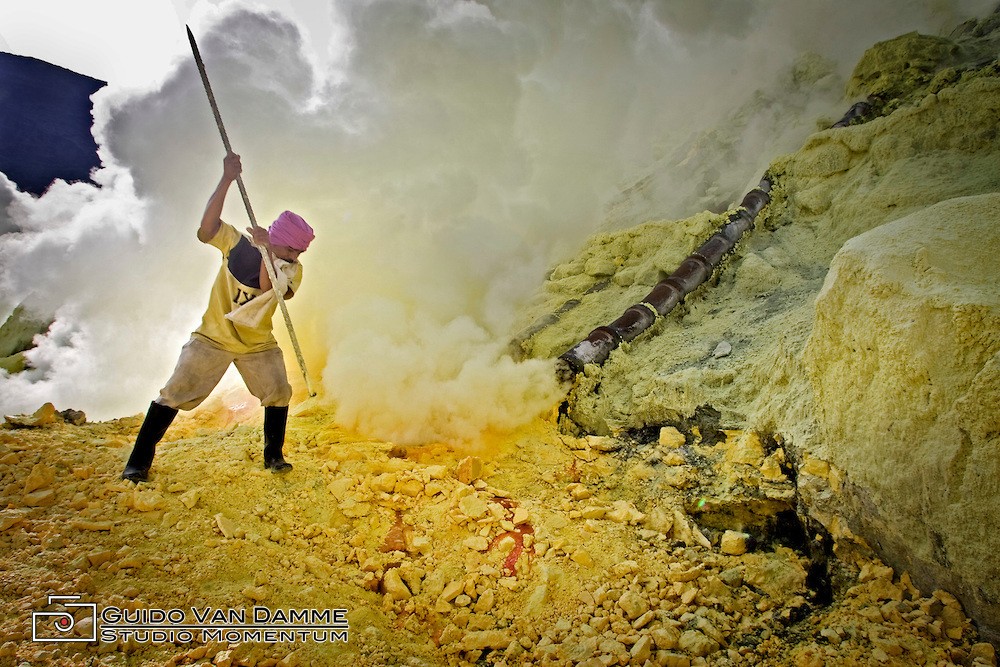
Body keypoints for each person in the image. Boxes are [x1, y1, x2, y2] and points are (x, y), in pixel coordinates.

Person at [121, 152, 314, 483]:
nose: (296, 257)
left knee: (279, 391)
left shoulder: (291, 270)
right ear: (281, 240)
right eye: (293, 250)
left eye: (298, 253)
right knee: (175, 392)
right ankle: (137, 463)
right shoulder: (237, 244)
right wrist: (227, 178)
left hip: (257, 344)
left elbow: (271, 288)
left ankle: (274, 457)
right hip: (213, 337)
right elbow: (207, 228)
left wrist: (269, 250)